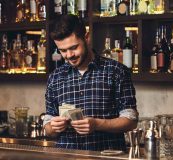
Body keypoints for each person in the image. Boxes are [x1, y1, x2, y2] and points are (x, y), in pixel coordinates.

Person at [43, 14, 138, 151]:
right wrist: (53, 127)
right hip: (66, 156)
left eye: (74, 47)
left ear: (86, 37)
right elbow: (48, 126)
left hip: (106, 156)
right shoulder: (55, 77)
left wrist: (97, 124)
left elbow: (131, 120)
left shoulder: (116, 71)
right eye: (63, 50)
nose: (69, 55)